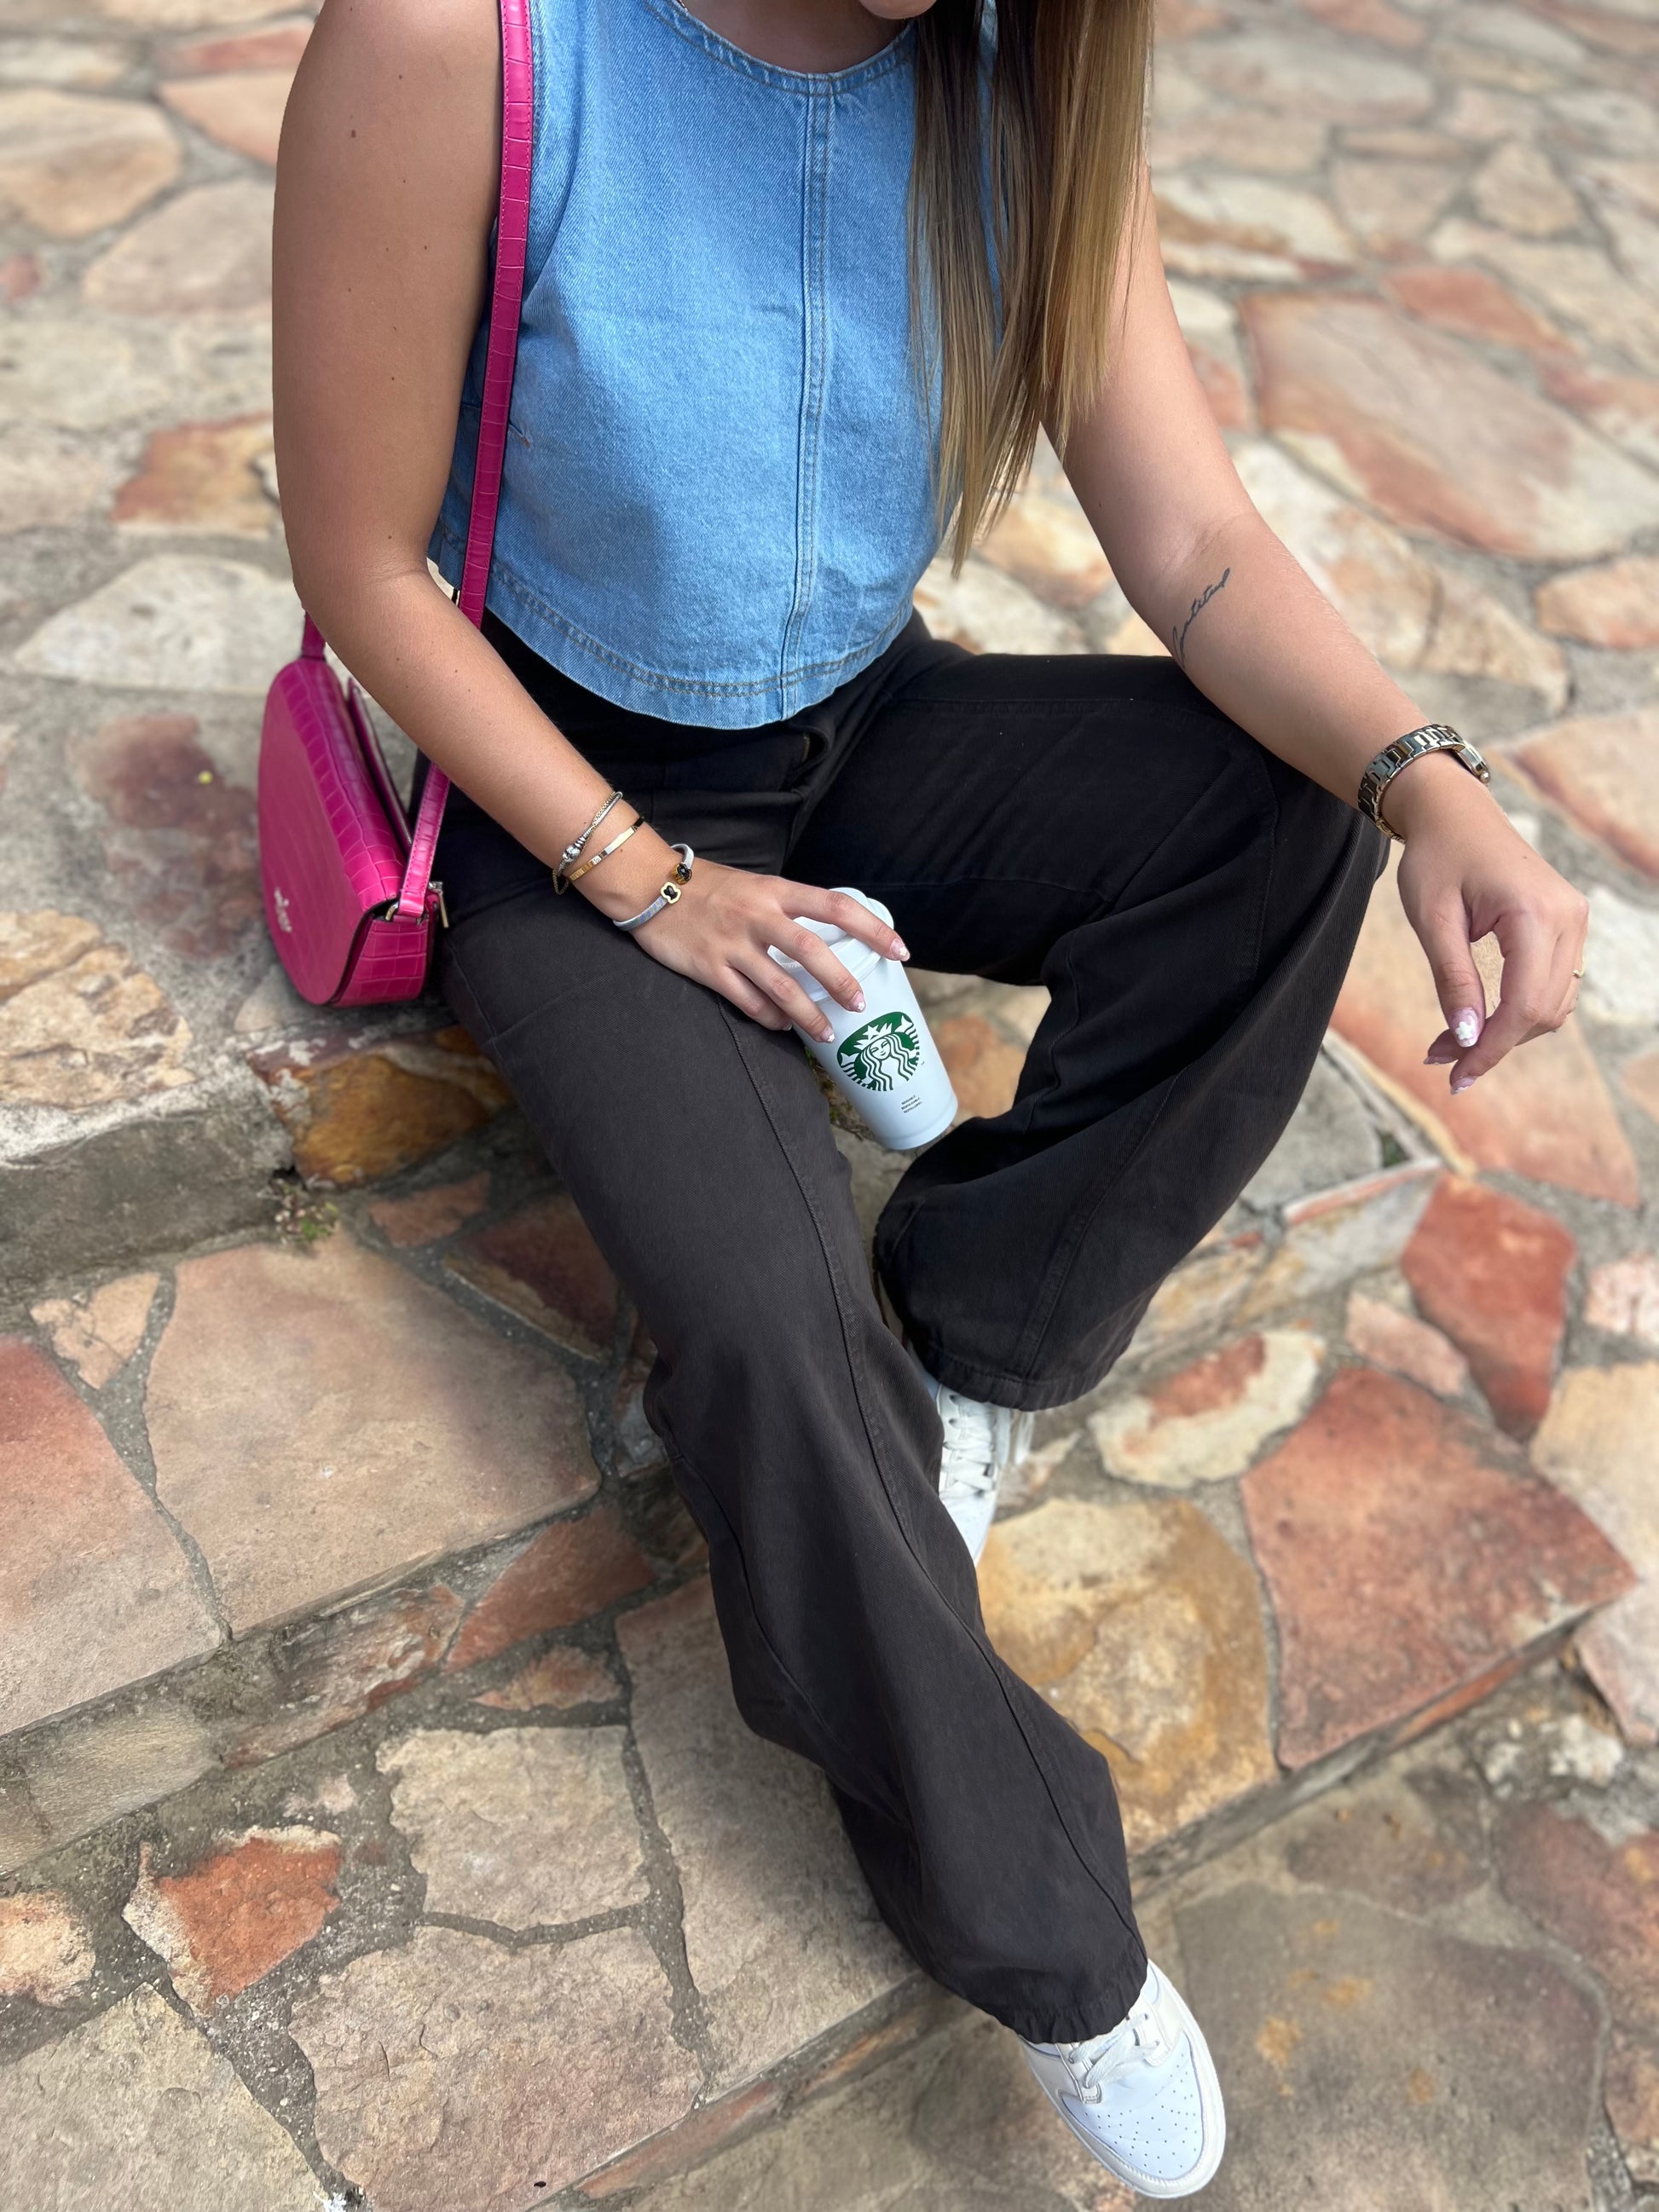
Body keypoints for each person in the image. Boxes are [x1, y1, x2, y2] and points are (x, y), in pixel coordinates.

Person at [272, 0, 1588, 2193]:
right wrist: (653, 881)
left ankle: (978, 1341)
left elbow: (1192, 535)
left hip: (862, 718)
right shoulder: (461, 38)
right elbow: (362, 564)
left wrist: (1425, 774)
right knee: (771, 1334)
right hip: (564, 790)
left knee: (1287, 816)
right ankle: (1041, 1932)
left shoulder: (1019, 62)